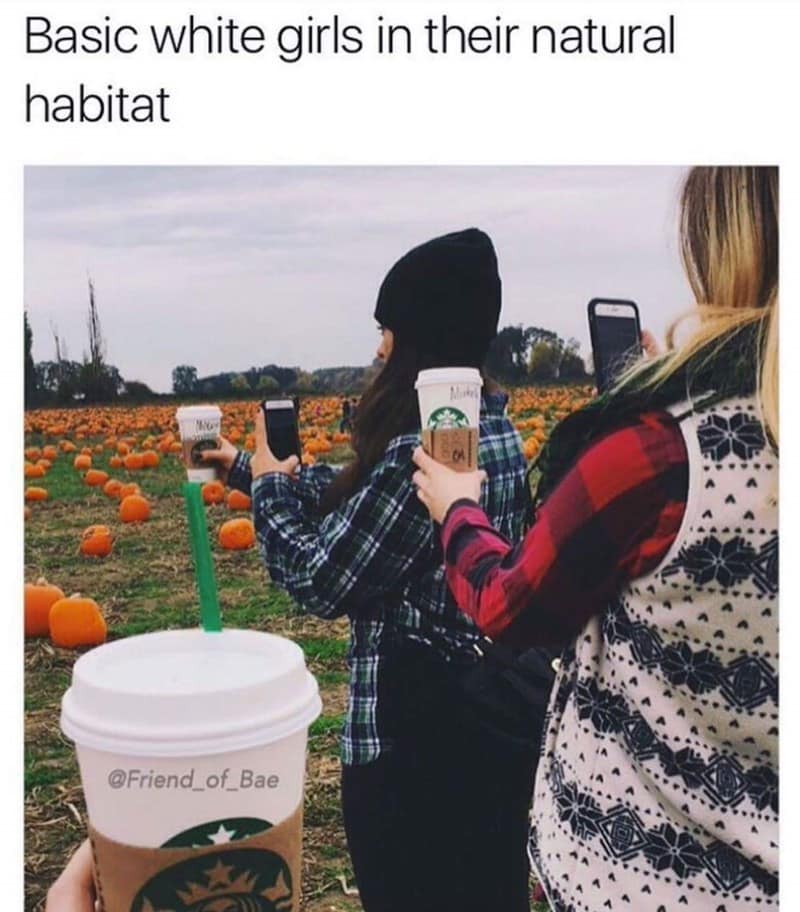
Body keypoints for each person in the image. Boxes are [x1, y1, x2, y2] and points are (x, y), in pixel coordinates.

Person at [46, 229, 539, 912]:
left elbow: (319, 577)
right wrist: (250, 469)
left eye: (386, 331)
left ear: (418, 336)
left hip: (418, 752)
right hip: (483, 740)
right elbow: (359, 503)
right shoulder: (490, 434)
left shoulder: (424, 458)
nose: (377, 349)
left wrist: (273, 487)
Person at [412, 167, 779, 911]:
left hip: (637, 876)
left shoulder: (662, 455)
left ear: (716, 243)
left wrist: (457, 507)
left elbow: (509, 606)